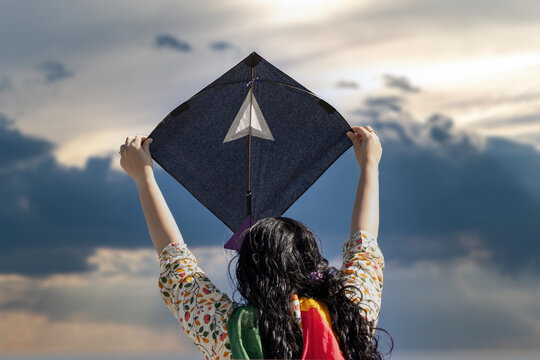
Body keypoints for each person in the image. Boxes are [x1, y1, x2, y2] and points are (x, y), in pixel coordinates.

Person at [119, 125, 391, 359]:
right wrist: (369, 166)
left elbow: (177, 263)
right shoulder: (351, 318)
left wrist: (144, 178)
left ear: (248, 273)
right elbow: (364, 244)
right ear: (311, 261)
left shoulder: (229, 332)